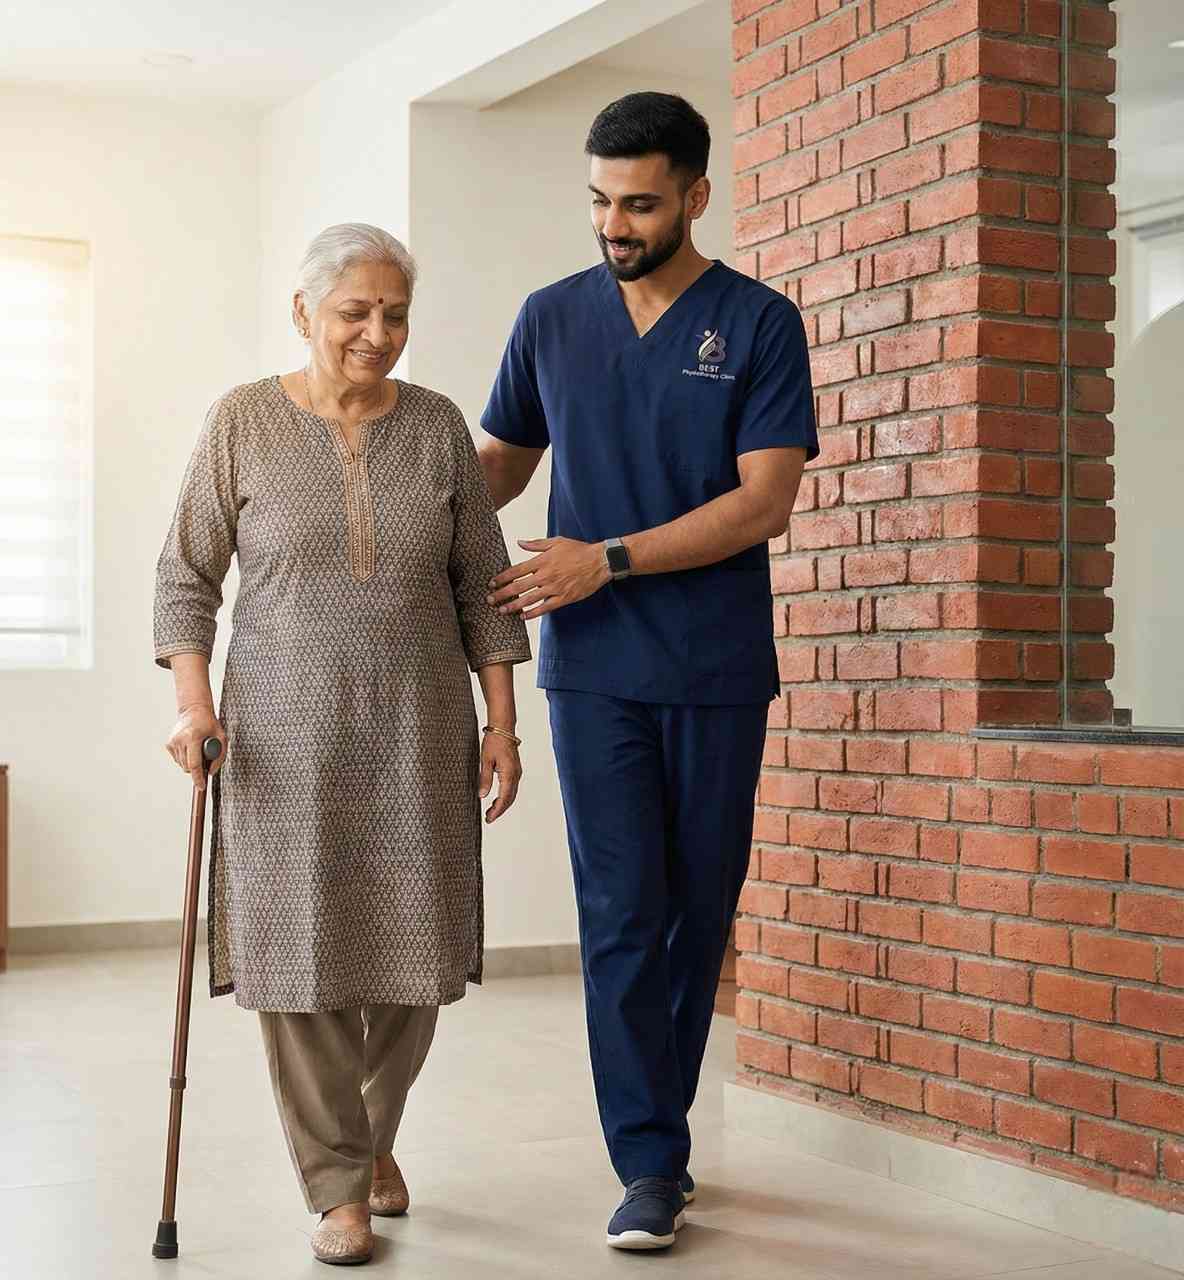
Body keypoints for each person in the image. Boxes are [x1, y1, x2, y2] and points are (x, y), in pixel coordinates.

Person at [477, 92, 818, 1251]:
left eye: (636, 202)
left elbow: (763, 500)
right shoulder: (549, 318)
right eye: (597, 201)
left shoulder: (758, 323)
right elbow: (497, 470)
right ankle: (648, 1159)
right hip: (593, 677)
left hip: (715, 668)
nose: (612, 224)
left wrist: (604, 560)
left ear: (692, 196)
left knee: (695, 910)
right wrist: (377, 496)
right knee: (621, 910)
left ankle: (655, 1131)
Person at [154, 223, 531, 1266]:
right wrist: (192, 704)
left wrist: (502, 723)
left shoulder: (439, 426)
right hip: (279, 732)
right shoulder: (242, 422)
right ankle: (337, 1183)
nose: (377, 332)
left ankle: (370, 1136)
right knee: (300, 958)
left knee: (415, 959)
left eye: (395, 313)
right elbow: (185, 574)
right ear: (302, 313)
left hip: (419, 728)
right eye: (354, 311)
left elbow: (483, 588)